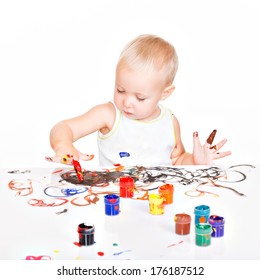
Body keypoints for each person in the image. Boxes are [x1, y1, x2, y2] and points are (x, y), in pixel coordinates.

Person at [47, 34, 231, 167]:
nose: (127, 102)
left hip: (159, 205)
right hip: (116, 203)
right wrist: (63, 145)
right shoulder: (109, 115)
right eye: (120, 90)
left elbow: (177, 160)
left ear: (165, 93)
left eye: (140, 97)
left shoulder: (170, 122)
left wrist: (194, 161)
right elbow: (63, 128)